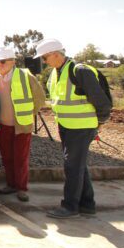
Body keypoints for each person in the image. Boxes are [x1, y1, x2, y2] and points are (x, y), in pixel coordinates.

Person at [35, 39, 111, 218]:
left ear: (56, 54)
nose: (44, 62)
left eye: (45, 57)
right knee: (78, 166)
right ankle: (87, 204)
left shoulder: (80, 71)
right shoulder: (56, 73)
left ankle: (70, 207)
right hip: (67, 126)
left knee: (72, 166)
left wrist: (99, 123)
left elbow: (102, 102)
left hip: (82, 127)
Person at [0, 46, 46, 202]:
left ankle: (21, 188)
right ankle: (11, 184)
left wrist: (29, 112)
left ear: (13, 61)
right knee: (6, 156)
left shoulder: (25, 75)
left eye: (2, 61)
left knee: (20, 157)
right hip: (3, 125)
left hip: (21, 126)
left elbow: (40, 98)